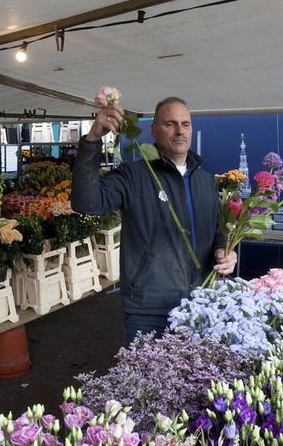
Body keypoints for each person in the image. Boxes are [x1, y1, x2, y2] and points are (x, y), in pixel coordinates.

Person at [71, 96, 237, 345]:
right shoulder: (133, 176)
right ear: (153, 129)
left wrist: (224, 250)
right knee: (146, 383)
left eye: (185, 124)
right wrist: (93, 141)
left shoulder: (205, 181)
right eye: (170, 124)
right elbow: (86, 203)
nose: (180, 131)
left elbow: (216, 230)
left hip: (201, 305)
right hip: (149, 311)